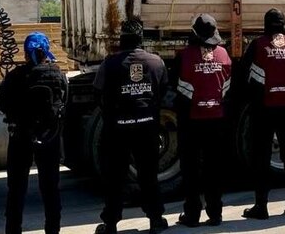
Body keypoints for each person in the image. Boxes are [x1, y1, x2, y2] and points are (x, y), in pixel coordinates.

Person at [93, 18, 170, 234]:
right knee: (148, 175)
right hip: (147, 128)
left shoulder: (109, 63)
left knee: (115, 177)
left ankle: (110, 224)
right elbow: (163, 91)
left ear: (122, 39)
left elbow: (97, 94)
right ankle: (155, 220)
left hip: (118, 129)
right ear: (141, 39)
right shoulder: (157, 62)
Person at [0, 33, 69, 234]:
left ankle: (13, 229)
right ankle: (53, 229)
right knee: (50, 188)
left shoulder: (14, 76)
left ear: (26, 53)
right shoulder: (57, 74)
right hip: (49, 137)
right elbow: (64, 103)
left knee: (17, 189)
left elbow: (1, 104)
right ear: (46, 51)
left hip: (20, 137)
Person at [239, 9, 285, 219]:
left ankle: (261, 206)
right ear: (283, 24)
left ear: (265, 24)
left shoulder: (258, 45)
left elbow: (244, 74)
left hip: (264, 108)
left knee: (262, 157)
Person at [175, 14, 232, 227]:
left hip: (191, 121)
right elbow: (227, 89)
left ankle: (192, 215)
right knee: (214, 168)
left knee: (190, 170)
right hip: (216, 119)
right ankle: (215, 214)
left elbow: (178, 91)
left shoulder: (184, 56)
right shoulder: (224, 55)